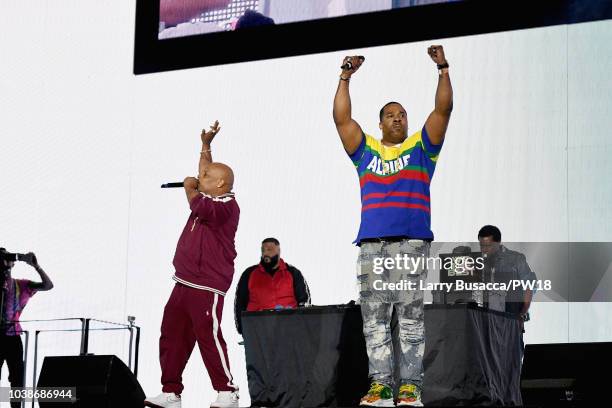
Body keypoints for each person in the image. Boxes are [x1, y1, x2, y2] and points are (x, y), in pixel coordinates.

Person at [332, 46, 453, 407]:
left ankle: (410, 387)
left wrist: (443, 69)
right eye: (390, 115)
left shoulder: (422, 148)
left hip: (411, 245)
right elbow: (341, 120)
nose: (398, 119)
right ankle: (381, 386)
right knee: (375, 321)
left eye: (402, 115)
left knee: (411, 319)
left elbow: (443, 109)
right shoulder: (365, 151)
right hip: (371, 246)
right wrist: (345, 76)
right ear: (380, 123)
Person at [145, 121, 240, 408]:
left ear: (220, 183)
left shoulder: (225, 206)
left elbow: (198, 205)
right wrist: (206, 146)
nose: (199, 177)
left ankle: (227, 390)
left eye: (206, 176)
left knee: (208, 335)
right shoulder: (211, 191)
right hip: (184, 280)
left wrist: (189, 190)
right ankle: (171, 391)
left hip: (207, 283)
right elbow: (205, 171)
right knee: (172, 334)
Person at [1, 248, 53, 408]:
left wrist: (36, 266)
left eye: (7, 257)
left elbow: (48, 285)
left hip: (13, 337)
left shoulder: (21, 285)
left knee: (17, 379)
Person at [477, 225, 536, 354]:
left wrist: (522, 313)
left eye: (488, 245)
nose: (484, 249)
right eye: (482, 245)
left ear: (498, 242)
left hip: (510, 319)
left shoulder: (516, 259)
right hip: (485, 324)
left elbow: (530, 286)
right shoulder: (478, 262)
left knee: (511, 360)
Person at [233, 238, 310, 335]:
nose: (265, 253)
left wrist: (302, 325)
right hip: (258, 332)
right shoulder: (249, 274)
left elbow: (304, 301)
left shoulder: (293, 273)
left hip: (289, 330)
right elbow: (240, 302)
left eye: (269, 249)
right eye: (263, 250)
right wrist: (242, 329)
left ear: (278, 250)